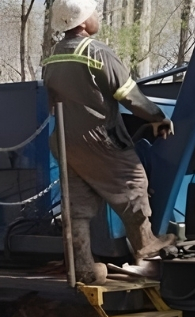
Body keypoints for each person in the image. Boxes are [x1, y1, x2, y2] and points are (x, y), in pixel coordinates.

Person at [44, 0, 176, 284]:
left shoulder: (54, 56)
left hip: (66, 142)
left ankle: (83, 267)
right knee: (134, 183)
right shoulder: (96, 52)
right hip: (99, 139)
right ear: (81, 22)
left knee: (76, 207)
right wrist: (157, 117)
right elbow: (128, 94)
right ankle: (145, 245)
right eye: (93, 13)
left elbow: (52, 103)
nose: (97, 17)